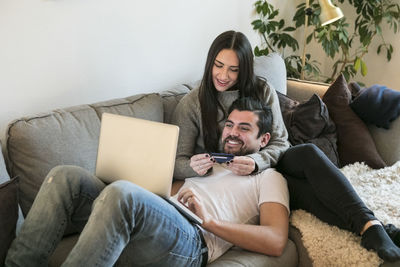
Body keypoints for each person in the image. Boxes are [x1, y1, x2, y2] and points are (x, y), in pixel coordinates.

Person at [171, 30, 400, 262]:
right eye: (218, 66)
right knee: (305, 191)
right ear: (210, 62)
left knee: (308, 153)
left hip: (268, 164)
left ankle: (370, 225)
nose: (223, 75)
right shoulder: (192, 104)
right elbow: (175, 164)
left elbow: (281, 142)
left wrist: (255, 161)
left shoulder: (262, 89)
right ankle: (378, 228)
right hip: (238, 182)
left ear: (245, 69)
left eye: (233, 69)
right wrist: (195, 167)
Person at [5, 98, 290, 266]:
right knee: (65, 176)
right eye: (229, 125)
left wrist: (209, 223)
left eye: (244, 128)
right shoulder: (208, 164)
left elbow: (276, 241)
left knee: (122, 194)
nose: (232, 133)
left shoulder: (268, 177)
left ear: (263, 139)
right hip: (161, 216)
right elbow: (162, 194)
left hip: (194, 242)